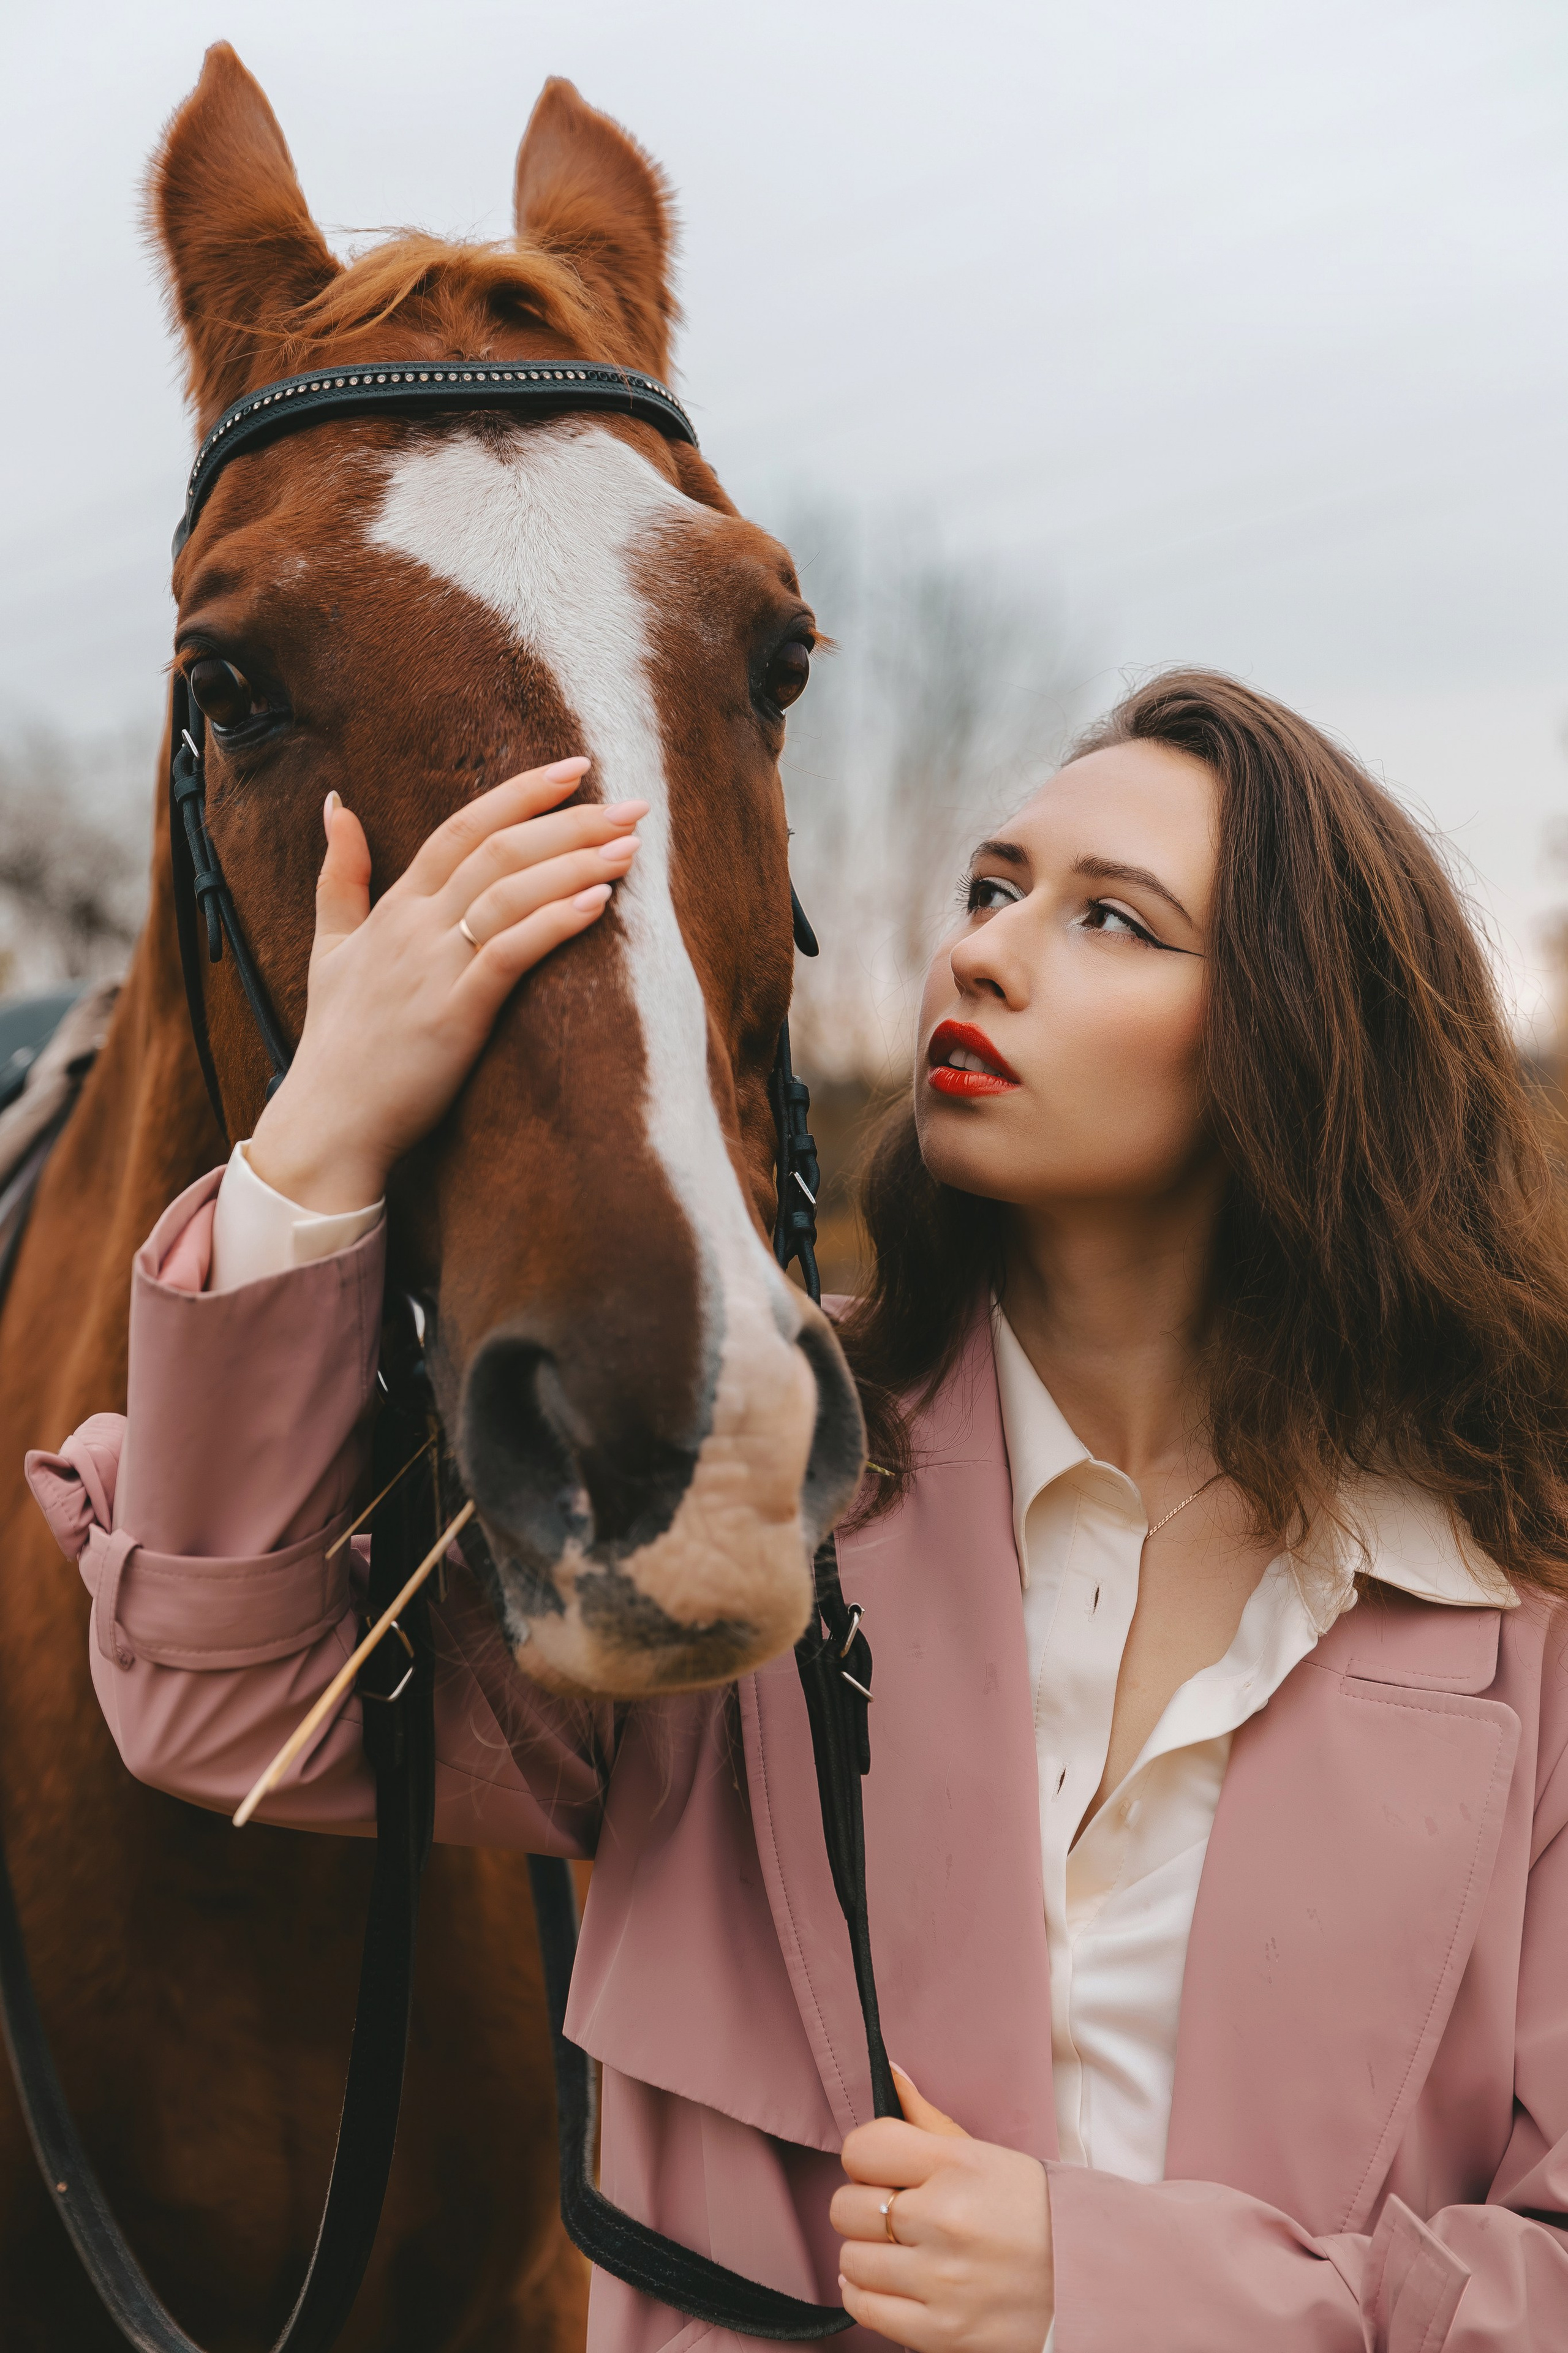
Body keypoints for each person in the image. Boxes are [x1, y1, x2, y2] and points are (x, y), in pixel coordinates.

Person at [28, 670, 1568, 2352]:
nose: (984, 952)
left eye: (1112, 920)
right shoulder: (752, 1477)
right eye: (991, 888)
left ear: (1306, 1032)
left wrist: (1109, 2289)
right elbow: (230, 1697)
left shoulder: (1523, 1614)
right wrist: (321, 1132)